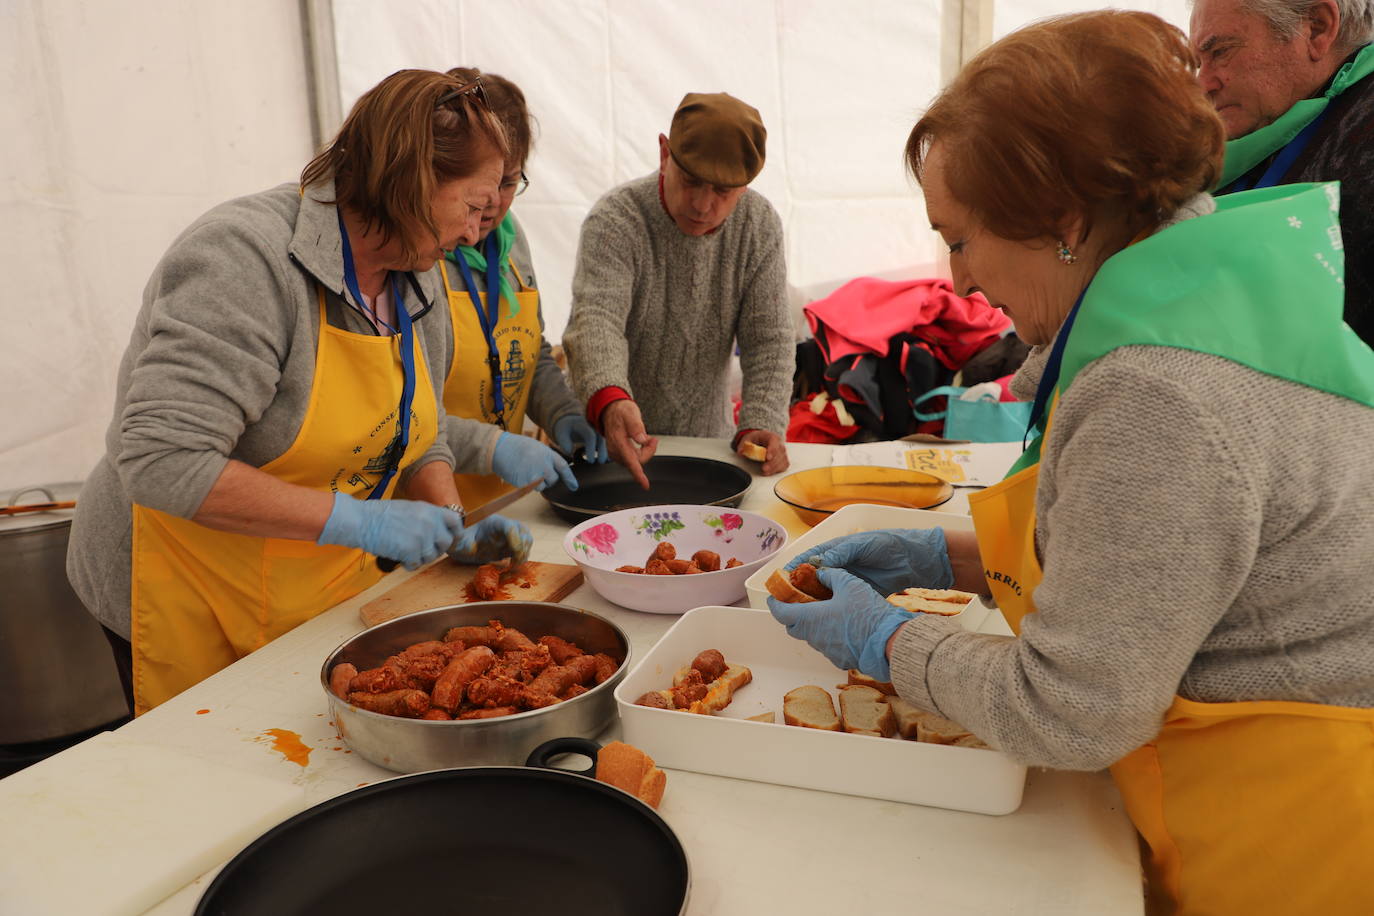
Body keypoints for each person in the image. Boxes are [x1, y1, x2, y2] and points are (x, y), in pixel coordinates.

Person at [767, 12, 1374, 914]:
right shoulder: (1206, 293)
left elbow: (1075, 710)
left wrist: (887, 642)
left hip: (1283, 849)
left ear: (1060, 220)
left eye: (962, 238)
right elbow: (1158, 567)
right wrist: (951, 561)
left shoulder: (1158, 394)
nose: (959, 281)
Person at [68, 69, 531, 716]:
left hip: (311, 585)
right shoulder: (245, 259)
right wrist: (360, 520)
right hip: (186, 586)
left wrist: (452, 524)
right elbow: (161, 461)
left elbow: (418, 431)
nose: (480, 233)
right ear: (411, 182)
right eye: (475, 206)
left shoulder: (415, 274)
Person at [562, 92, 794, 488]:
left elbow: (769, 338)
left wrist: (762, 421)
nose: (703, 205)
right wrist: (611, 399)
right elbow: (596, 321)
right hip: (604, 446)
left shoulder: (759, 225)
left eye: (723, 192)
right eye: (690, 181)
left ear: (746, 187)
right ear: (664, 153)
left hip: (708, 448)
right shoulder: (616, 219)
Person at [436, 68, 607, 511]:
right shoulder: (419, 259)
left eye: (509, 182)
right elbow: (391, 414)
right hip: (426, 507)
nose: (492, 200)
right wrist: (496, 447)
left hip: (502, 498)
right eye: (484, 183)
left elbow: (526, 355)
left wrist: (563, 412)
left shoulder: (513, 244)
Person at [1191, 0, 1374, 343]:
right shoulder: (1270, 130)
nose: (1204, 85)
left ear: (1317, 28)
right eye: (1197, 63)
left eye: (1220, 51)